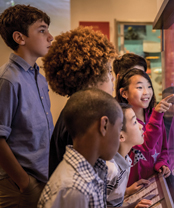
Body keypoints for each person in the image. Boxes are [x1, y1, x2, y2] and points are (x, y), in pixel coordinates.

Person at [0, 5, 54, 207]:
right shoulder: (8, 79)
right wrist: (24, 183)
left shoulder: (39, 78)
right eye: (42, 30)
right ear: (19, 38)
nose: (51, 37)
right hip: (19, 186)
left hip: (41, 179)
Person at [45, 26, 116, 177]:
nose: (113, 78)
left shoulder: (75, 109)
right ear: (91, 75)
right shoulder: (83, 118)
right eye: (109, 71)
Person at [38, 88, 123, 208]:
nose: (120, 136)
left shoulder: (88, 173)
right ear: (104, 125)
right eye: (119, 128)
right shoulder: (74, 189)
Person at [116, 68, 174, 186]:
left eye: (149, 86)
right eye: (140, 87)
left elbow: (164, 148)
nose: (146, 92)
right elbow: (146, 144)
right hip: (131, 188)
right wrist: (157, 116)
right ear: (124, 93)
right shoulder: (123, 121)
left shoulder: (154, 115)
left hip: (154, 183)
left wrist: (162, 163)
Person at [106, 103, 152, 208]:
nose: (141, 126)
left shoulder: (125, 159)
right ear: (121, 136)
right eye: (135, 122)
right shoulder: (110, 169)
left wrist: (127, 191)